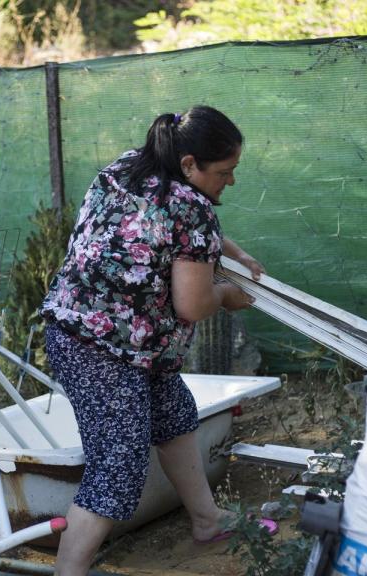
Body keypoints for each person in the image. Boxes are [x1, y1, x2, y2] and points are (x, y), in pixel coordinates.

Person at [40, 105, 266, 575]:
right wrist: (228, 296)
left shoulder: (127, 167)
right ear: (190, 165)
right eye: (225, 172)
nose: (231, 182)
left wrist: (233, 250)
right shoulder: (193, 206)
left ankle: (206, 519)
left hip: (94, 333)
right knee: (117, 468)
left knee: (174, 415)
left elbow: (176, 229)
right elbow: (192, 304)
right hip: (101, 350)